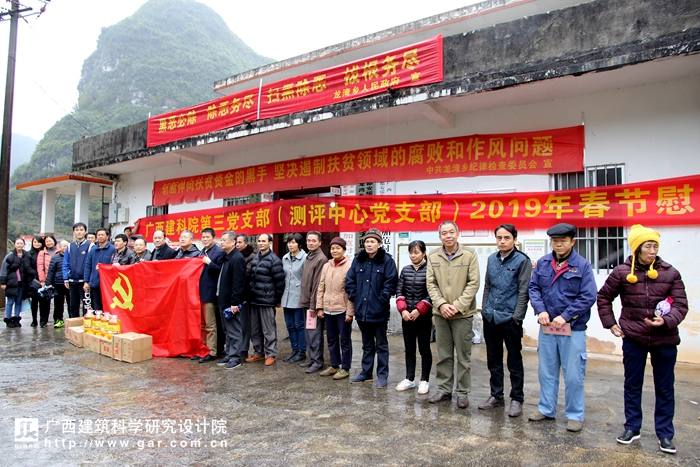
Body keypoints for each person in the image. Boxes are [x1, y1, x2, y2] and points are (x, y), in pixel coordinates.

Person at [597, 225, 688, 454]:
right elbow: (604, 297)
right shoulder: (622, 272)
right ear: (637, 248)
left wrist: (667, 321)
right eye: (648, 246)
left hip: (665, 338)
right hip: (634, 337)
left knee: (665, 387)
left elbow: (681, 304)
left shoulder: (670, 273)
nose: (652, 251)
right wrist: (611, 324)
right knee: (632, 384)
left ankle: (665, 434)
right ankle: (632, 427)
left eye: (655, 246)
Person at [528, 223, 597, 433]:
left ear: (572, 242)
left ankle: (574, 415)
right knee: (546, 372)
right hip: (547, 327)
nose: (558, 245)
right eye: (555, 241)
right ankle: (546, 408)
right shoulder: (543, 263)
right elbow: (534, 288)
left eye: (563, 241)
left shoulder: (582, 265)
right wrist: (540, 310)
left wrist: (566, 316)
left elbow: (588, 296)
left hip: (573, 328)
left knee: (574, 375)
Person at [478, 224, 531, 417]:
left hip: (510, 319)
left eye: (506, 238)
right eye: (499, 238)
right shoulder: (492, 259)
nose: (502, 241)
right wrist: (485, 310)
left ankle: (517, 398)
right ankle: (496, 395)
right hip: (491, 317)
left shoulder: (522, 261)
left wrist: (517, 317)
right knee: (493, 359)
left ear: (514, 239)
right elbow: (487, 286)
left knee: (514, 360)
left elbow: (524, 291)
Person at [426, 221, 480, 408]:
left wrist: (456, 306)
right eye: (444, 233)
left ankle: (463, 392)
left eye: (451, 232)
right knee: (443, 354)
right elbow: (431, 283)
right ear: (439, 236)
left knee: (463, 356)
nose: (448, 236)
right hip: (441, 315)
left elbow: (473, 283)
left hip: (462, 315)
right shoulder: (433, 256)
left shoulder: (470, 254)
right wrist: (441, 304)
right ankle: (444, 389)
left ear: (458, 234)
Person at [346, 228, 398, 388]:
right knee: (367, 344)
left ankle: (382, 375)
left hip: (379, 311)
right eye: (367, 241)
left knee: (381, 345)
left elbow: (390, 284)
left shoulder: (387, 261)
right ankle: (366, 373)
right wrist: (355, 297)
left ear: (379, 244)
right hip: (362, 310)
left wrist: (381, 300)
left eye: (372, 241)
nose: (369, 244)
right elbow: (350, 280)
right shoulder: (358, 259)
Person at [395, 240, 432, 395]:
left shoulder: (430, 270)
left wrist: (419, 310)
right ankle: (409, 378)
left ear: (423, 253)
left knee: (424, 349)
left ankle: (424, 380)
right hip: (407, 317)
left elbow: (432, 293)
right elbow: (399, 291)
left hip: (423, 317)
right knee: (409, 349)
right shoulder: (405, 270)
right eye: (411, 252)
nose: (413, 255)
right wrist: (403, 310)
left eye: (416, 252)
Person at [316, 237, 354, 380]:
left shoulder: (349, 266)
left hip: (342, 309)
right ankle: (334, 365)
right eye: (332, 248)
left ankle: (345, 368)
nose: (335, 251)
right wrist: (320, 307)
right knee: (331, 339)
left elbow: (351, 291)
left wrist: (350, 312)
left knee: (344, 340)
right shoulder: (327, 265)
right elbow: (321, 287)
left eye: (338, 248)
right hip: (328, 308)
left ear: (344, 250)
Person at [246, 234, 285, 366]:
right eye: (259, 241)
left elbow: (280, 282)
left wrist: (275, 299)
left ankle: (270, 354)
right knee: (255, 328)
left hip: (267, 300)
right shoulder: (256, 257)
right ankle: (258, 352)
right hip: (254, 299)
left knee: (268, 329)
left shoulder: (274, 260)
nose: (261, 243)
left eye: (264, 241)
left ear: (270, 243)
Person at [216, 231, 248, 370]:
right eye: (221, 240)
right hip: (223, 300)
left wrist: (235, 302)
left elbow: (238, 283)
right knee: (227, 329)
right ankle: (229, 353)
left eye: (224, 240)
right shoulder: (226, 257)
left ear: (233, 242)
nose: (222, 242)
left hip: (232, 302)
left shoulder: (237, 258)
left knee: (234, 329)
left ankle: (236, 357)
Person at [298, 231, 328, 373]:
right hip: (306, 302)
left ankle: (317, 361)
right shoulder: (309, 256)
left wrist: (313, 306)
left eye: (314, 241)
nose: (310, 243)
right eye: (308, 240)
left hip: (313, 304)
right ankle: (312, 358)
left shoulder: (321, 259)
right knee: (309, 333)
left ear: (320, 242)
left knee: (315, 334)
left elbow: (317, 285)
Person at [197, 228, 225, 363]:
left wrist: (210, 263)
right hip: (199, 292)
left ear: (214, 238)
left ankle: (212, 351)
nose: (205, 239)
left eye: (207, 237)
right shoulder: (201, 252)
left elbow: (221, 271)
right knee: (202, 324)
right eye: (203, 237)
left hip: (210, 293)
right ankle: (203, 349)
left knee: (210, 324)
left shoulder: (219, 252)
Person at [280, 233, 307, 363]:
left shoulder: (305, 258)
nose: (290, 245)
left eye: (293, 242)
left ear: (299, 244)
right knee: (290, 325)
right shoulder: (285, 258)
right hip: (286, 297)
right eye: (289, 242)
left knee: (299, 325)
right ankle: (294, 349)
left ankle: (301, 351)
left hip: (298, 297)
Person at [1, 238, 33, 328]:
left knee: (19, 301)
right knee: (10, 301)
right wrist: (3, 282)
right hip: (11, 283)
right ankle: (8, 318)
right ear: (14, 244)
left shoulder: (26, 255)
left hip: (21, 283)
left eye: (21, 243)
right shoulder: (10, 256)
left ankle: (16, 318)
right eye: (17, 243)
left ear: (24, 245)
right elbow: (4, 269)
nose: (19, 245)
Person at [83, 228, 116, 311]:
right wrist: (86, 281)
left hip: (108, 283)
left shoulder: (113, 249)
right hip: (95, 282)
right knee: (96, 306)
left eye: (102, 235)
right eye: (98, 235)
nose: (100, 237)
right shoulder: (93, 250)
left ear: (107, 236)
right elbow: (88, 266)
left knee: (108, 306)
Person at [63, 222, 91, 317]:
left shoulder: (90, 246)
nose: (79, 232)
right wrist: (66, 278)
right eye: (77, 230)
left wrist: (87, 280)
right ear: (73, 232)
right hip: (72, 281)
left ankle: (86, 324)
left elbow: (90, 264)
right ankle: (73, 324)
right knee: (73, 306)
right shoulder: (70, 246)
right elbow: (65, 263)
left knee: (86, 306)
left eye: (81, 230)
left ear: (85, 232)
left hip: (84, 282)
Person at [235, 233, 256, 359]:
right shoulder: (232, 255)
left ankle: (243, 348)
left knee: (244, 323)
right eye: (236, 242)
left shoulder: (251, 257)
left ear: (246, 243)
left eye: (240, 242)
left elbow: (246, 274)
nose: (237, 245)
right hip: (235, 294)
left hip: (245, 294)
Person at [47, 240, 70, 328]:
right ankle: (58, 319)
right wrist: (48, 283)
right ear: (59, 248)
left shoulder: (72, 257)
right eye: (63, 246)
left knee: (71, 303)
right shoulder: (55, 258)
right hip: (58, 283)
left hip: (70, 283)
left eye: (67, 246)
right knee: (58, 304)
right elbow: (51, 271)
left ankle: (72, 319)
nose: (65, 247)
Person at [28, 236, 50, 327]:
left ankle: (43, 320)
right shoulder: (29, 254)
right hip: (34, 281)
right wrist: (38, 274)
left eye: (39, 242)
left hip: (45, 280)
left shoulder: (46, 253)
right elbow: (27, 267)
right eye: (35, 242)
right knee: (34, 301)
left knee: (44, 301)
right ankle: (34, 320)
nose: (36, 244)